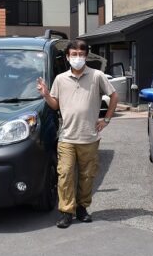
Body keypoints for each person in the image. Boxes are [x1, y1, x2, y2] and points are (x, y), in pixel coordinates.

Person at [37, 39, 118, 228]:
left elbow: (114, 96)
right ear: (67, 57)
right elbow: (56, 105)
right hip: (66, 136)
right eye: (74, 54)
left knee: (87, 176)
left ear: (86, 56)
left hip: (89, 136)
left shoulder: (97, 76)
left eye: (81, 54)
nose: (78, 58)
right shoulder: (60, 79)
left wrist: (106, 119)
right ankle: (66, 211)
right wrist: (46, 95)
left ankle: (82, 208)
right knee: (64, 174)